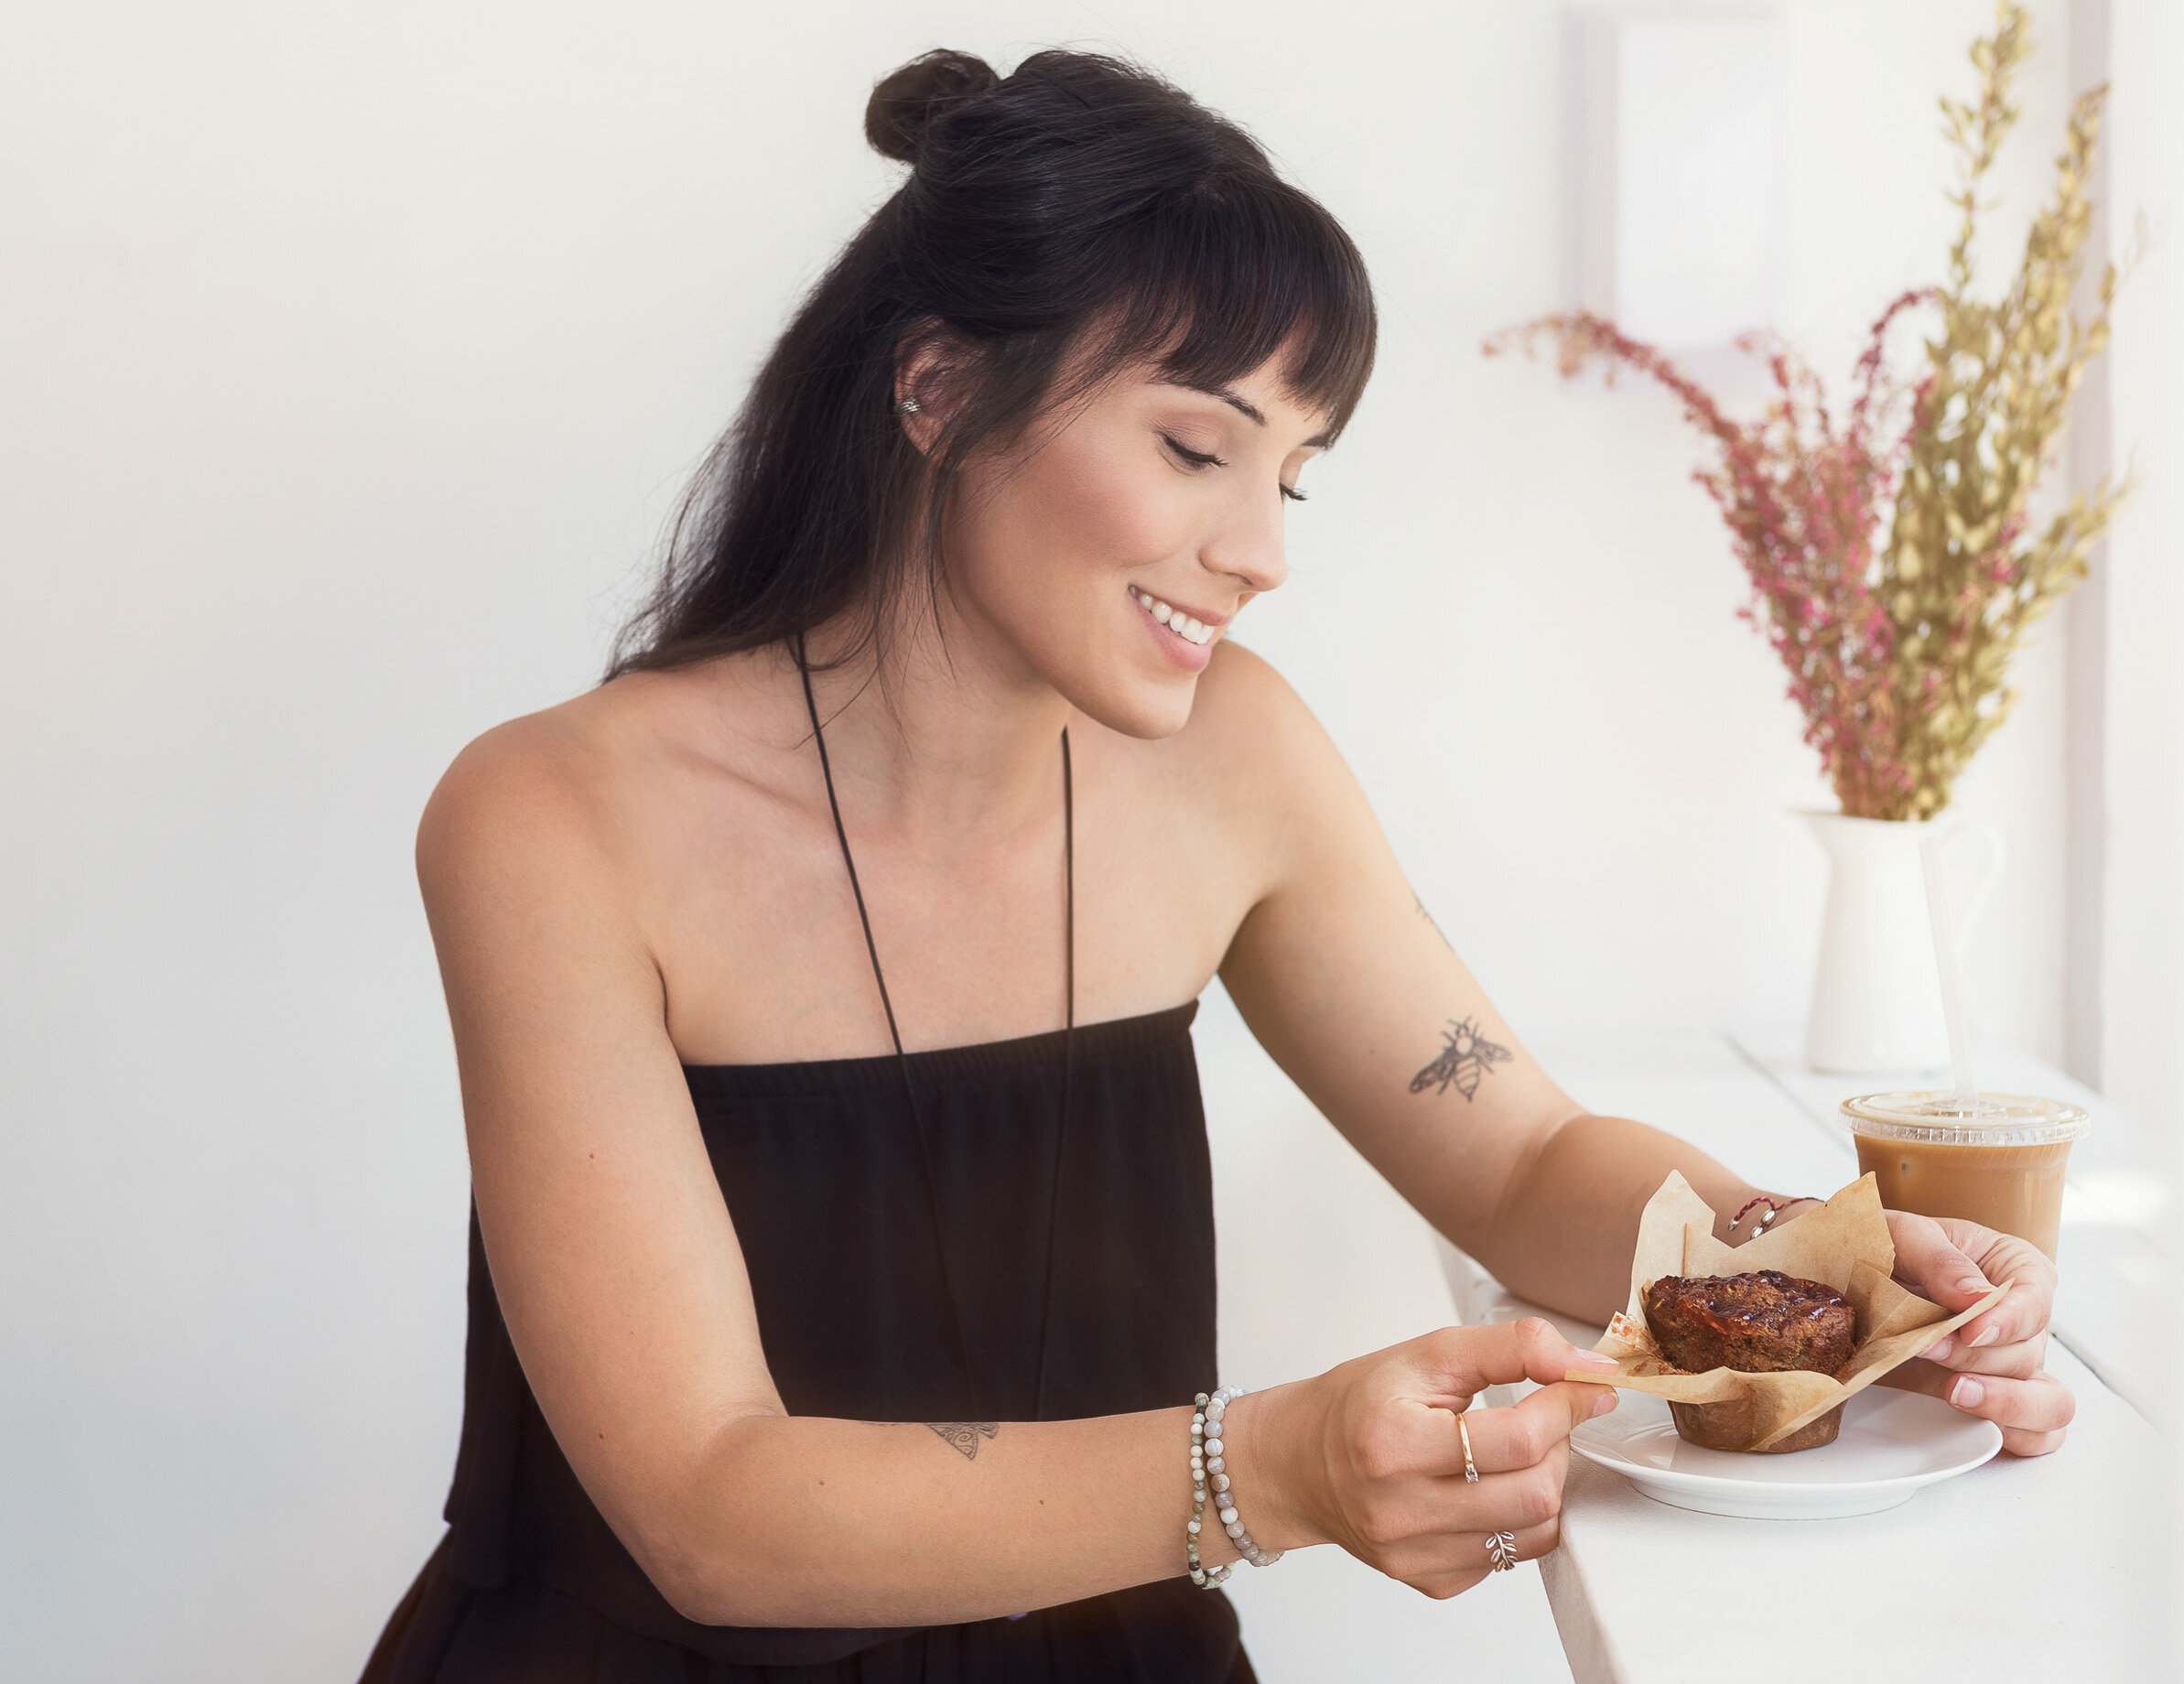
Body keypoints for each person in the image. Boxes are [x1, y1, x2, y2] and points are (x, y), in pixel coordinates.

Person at [360, 46, 2072, 1684]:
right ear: (941, 387)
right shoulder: (553, 821)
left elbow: (1522, 1157)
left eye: (1295, 480)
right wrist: (1274, 1470)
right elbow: (709, 1506)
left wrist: (1817, 1261)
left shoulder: (1231, 756)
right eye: (1196, 448)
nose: (1257, 553)